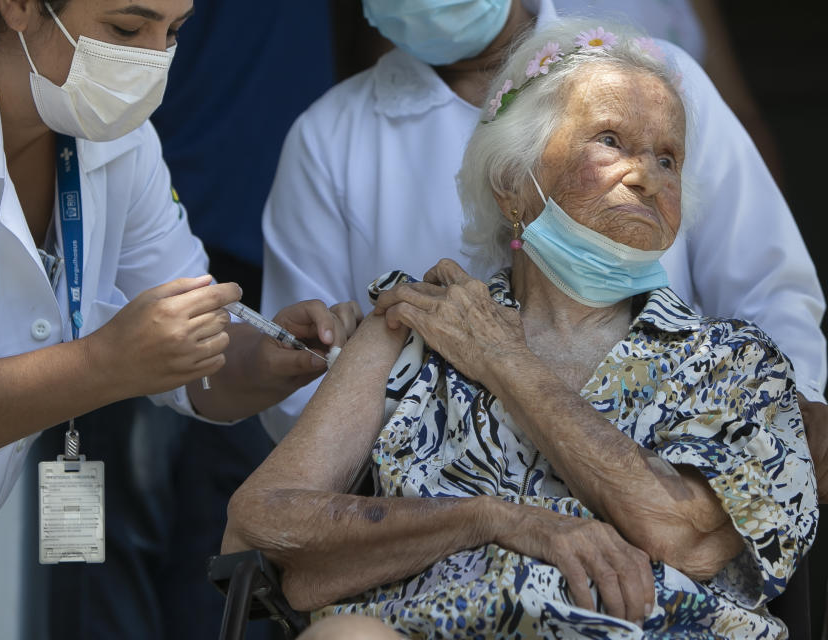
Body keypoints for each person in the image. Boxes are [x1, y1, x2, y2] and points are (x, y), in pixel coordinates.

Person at [225, 21, 819, 637]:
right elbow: (259, 523)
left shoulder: (738, 364)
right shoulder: (417, 325)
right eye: (610, 141)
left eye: (667, 158)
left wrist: (506, 361)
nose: (646, 175)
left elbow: (682, 535)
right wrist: (488, 519)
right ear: (513, 184)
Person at [0, 1, 349, 636]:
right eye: (126, 29)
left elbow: (195, 350)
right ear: (17, 5)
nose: (151, 60)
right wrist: (101, 366)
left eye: (174, 33)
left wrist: (262, 360)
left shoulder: (114, 136)